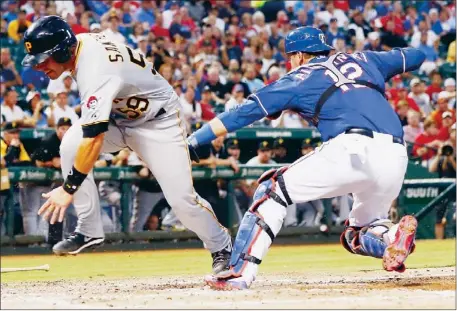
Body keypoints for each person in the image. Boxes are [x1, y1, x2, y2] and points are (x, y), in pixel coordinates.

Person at [188, 26, 426, 289]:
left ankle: (239, 273)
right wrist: (381, 62)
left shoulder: (299, 76)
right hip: (396, 155)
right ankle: (394, 236)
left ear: (300, 55)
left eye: (291, 57)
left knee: (272, 190)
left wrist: (196, 139)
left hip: (353, 147)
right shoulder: (364, 59)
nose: (290, 62)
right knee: (356, 234)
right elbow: (416, 56)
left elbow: (243, 113)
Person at [22, 16, 231, 273]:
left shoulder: (95, 68)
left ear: (63, 50)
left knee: (182, 201)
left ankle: (222, 246)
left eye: (43, 59)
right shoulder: (80, 46)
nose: (39, 67)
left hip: (158, 122)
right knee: (70, 144)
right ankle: (88, 231)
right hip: (121, 118)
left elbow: (95, 139)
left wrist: (68, 189)